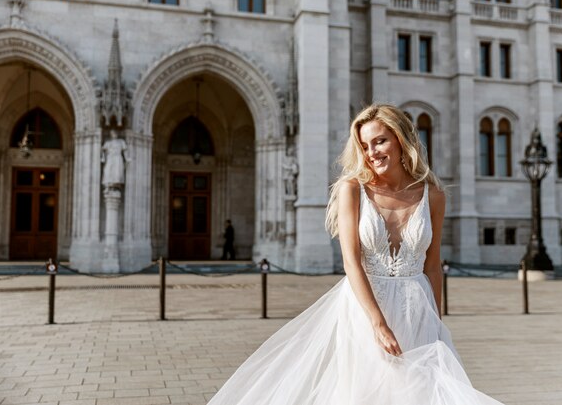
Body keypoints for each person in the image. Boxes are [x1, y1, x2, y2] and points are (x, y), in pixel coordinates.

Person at [207, 104, 506, 404]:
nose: (372, 152)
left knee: (420, 392)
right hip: (364, 309)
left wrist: (437, 322)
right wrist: (377, 323)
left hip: (417, 308)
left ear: (401, 139)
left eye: (379, 141)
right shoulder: (352, 189)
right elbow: (351, 262)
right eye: (364, 145)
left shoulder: (434, 195)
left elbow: (432, 266)